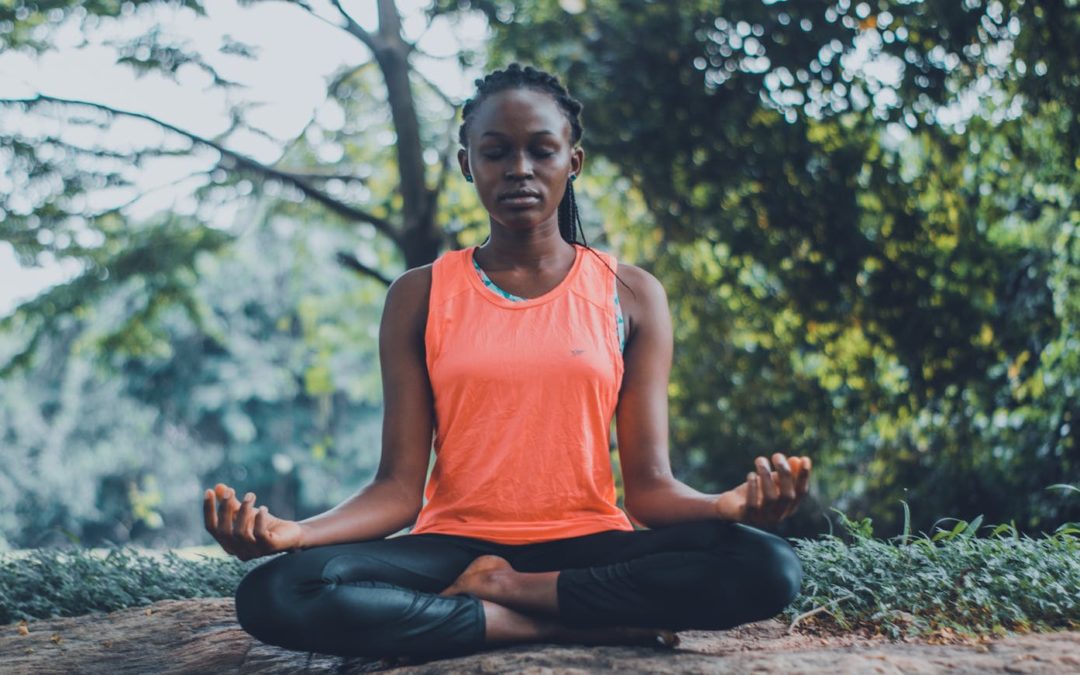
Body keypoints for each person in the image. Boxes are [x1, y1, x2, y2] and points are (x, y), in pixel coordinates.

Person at [202, 63, 811, 661]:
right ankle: (544, 627)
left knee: (767, 565)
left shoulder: (629, 293)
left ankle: (508, 593)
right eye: (496, 152)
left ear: (572, 160)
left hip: (588, 545)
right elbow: (395, 490)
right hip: (452, 547)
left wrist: (725, 507)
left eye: (541, 150)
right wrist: (296, 533)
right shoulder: (420, 294)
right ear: (469, 163)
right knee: (279, 591)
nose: (520, 168)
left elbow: (650, 491)